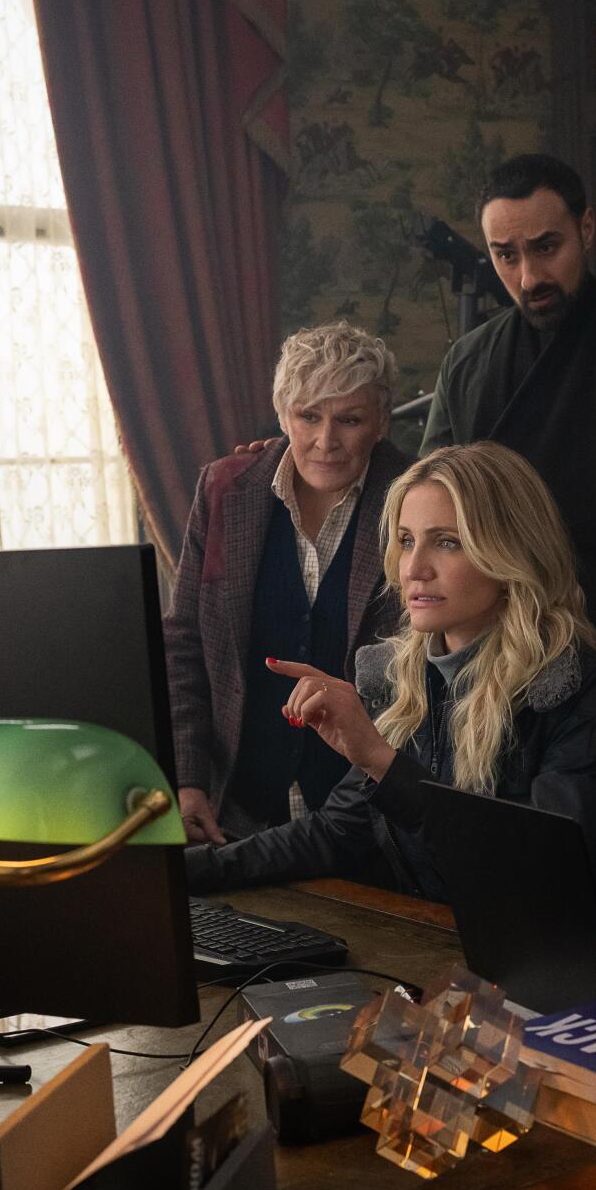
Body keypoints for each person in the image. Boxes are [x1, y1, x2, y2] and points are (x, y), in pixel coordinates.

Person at [182, 442, 596, 908]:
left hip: (579, 964)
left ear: (511, 552)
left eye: (447, 542)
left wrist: (381, 761)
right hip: (442, 952)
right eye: (406, 541)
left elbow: (538, 870)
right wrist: (181, 872)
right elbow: (335, 832)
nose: (414, 568)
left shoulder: (584, 688)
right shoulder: (398, 677)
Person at [421, 153, 596, 734]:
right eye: (506, 255)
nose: (528, 277)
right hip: (496, 668)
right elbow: (428, 509)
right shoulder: (468, 363)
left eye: (546, 247)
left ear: (588, 229)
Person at [165, 323, 411, 845]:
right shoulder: (225, 488)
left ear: (381, 422)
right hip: (233, 812)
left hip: (367, 821)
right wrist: (188, 782)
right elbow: (184, 643)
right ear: (283, 415)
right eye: (308, 417)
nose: (326, 441)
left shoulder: (416, 500)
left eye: (349, 419)